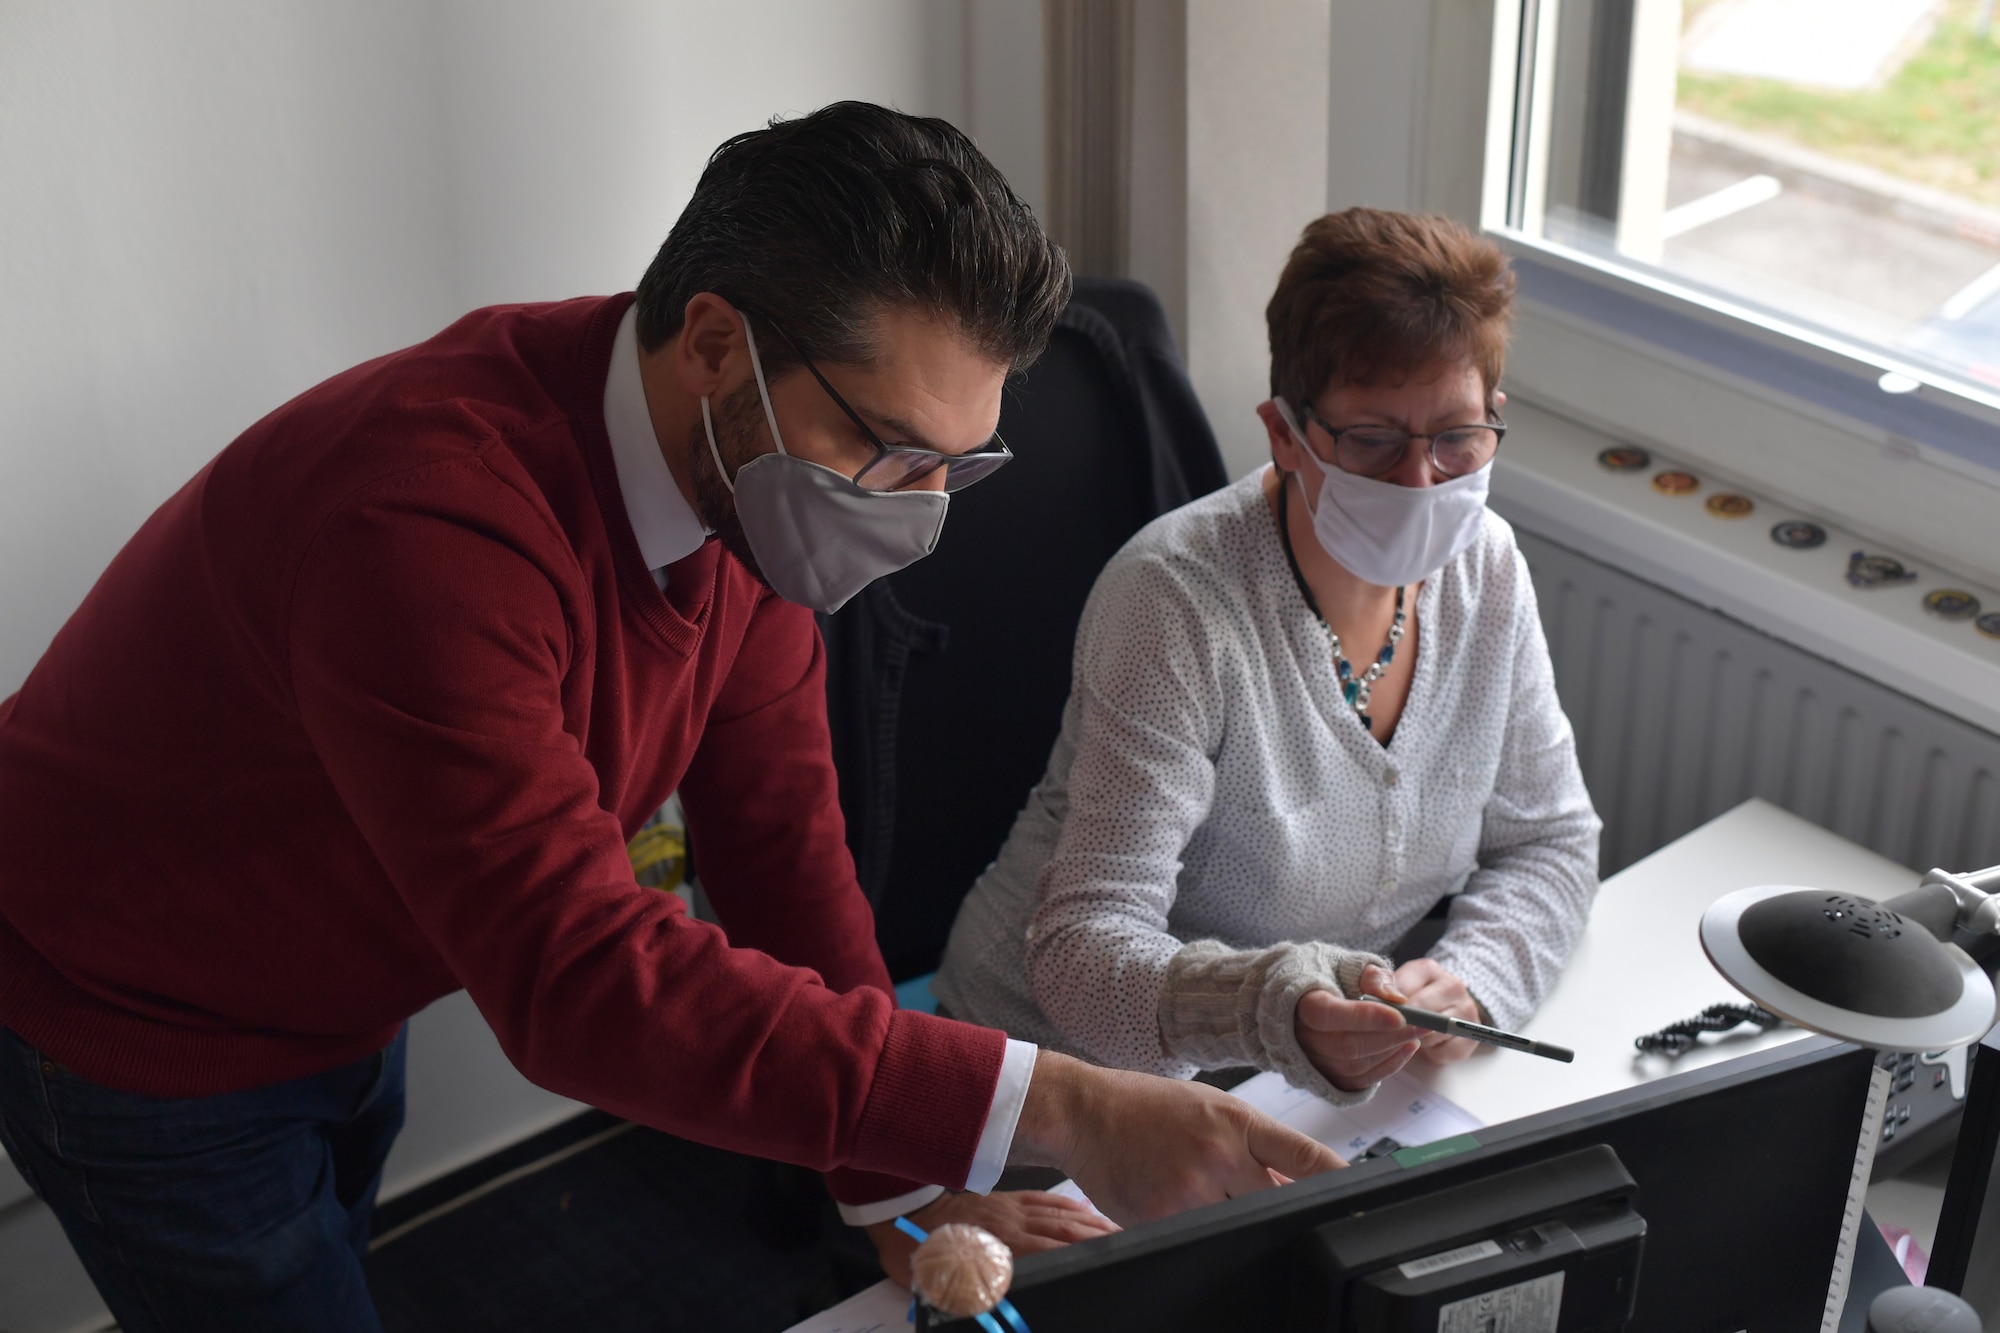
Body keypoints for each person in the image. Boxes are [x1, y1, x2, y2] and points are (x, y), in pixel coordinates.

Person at [0, 103, 1342, 1332]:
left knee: (329, 1246)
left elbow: (782, 852)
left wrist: (899, 1185)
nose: (918, 511)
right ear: (714, 345)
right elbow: (576, 979)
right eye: (887, 446)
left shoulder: (742, 494)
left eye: (955, 465)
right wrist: (1065, 1105)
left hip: (333, 969)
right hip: (139, 1001)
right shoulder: (427, 520)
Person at [936, 208, 1601, 1107]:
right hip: (1054, 1078)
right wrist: (1273, 1008)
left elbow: (1551, 841)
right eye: (1372, 439)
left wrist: (1470, 975)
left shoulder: (1486, 566)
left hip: (1299, 1084)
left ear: (1494, 420)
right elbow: (1084, 951)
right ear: (1286, 434)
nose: (1422, 480)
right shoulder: (1175, 603)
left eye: (1457, 437)